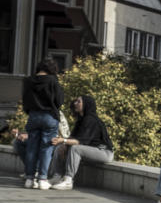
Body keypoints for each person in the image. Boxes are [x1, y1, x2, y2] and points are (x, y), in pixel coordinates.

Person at [47, 95, 113, 190]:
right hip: (91, 150)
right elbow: (73, 137)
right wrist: (64, 144)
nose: (75, 103)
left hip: (104, 152)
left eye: (78, 102)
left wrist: (64, 140)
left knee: (75, 148)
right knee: (60, 146)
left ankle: (68, 180)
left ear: (86, 105)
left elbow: (81, 141)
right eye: (75, 101)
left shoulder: (91, 120)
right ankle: (57, 177)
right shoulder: (81, 120)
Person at [22, 58, 64, 190]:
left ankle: (29, 179)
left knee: (31, 147)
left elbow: (25, 100)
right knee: (46, 147)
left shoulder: (28, 81)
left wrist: (30, 111)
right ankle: (42, 179)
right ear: (52, 69)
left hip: (33, 115)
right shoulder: (52, 81)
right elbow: (59, 101)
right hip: (49, 116)